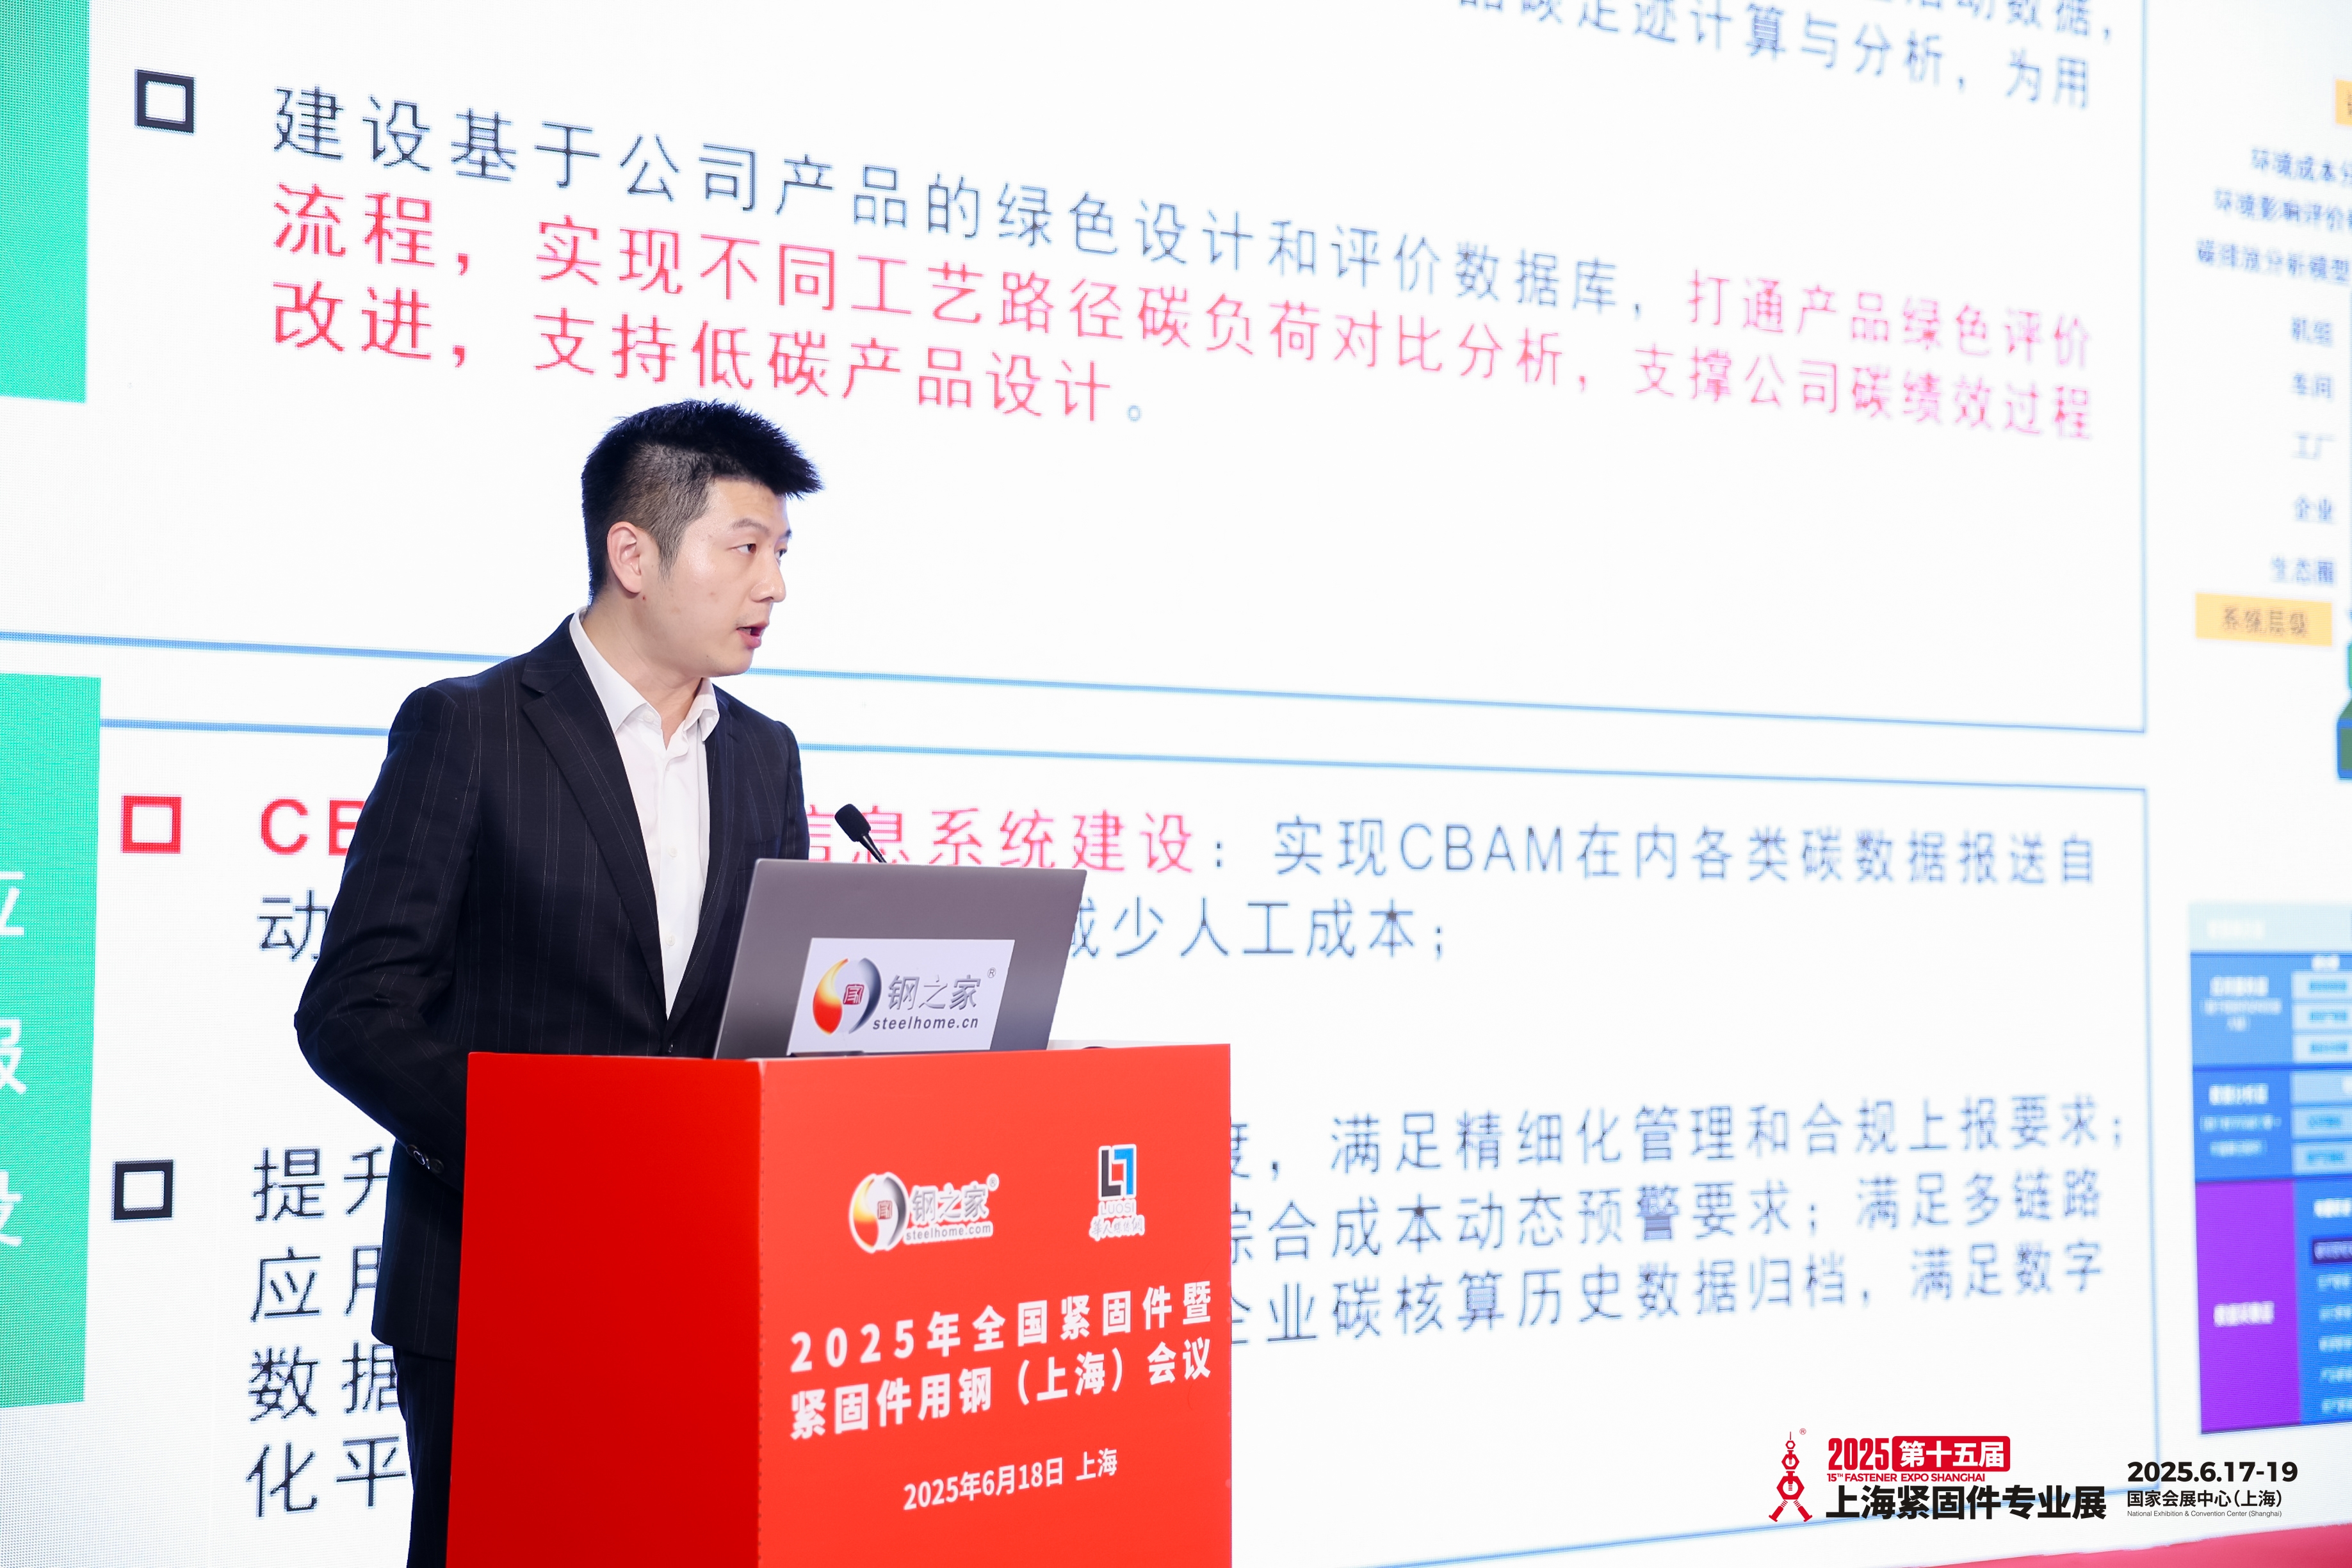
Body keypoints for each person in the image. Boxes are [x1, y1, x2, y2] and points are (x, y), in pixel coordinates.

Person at [295, 400, 817, 1565]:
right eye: (744, 547)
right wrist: (549, 1152)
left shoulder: (764, 753)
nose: (774, 585)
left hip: (706, 1287)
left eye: (783, 552)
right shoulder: (470, 728)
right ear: (632, 553)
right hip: (502, 1284)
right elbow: (353, 1008)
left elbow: (761, 1016)